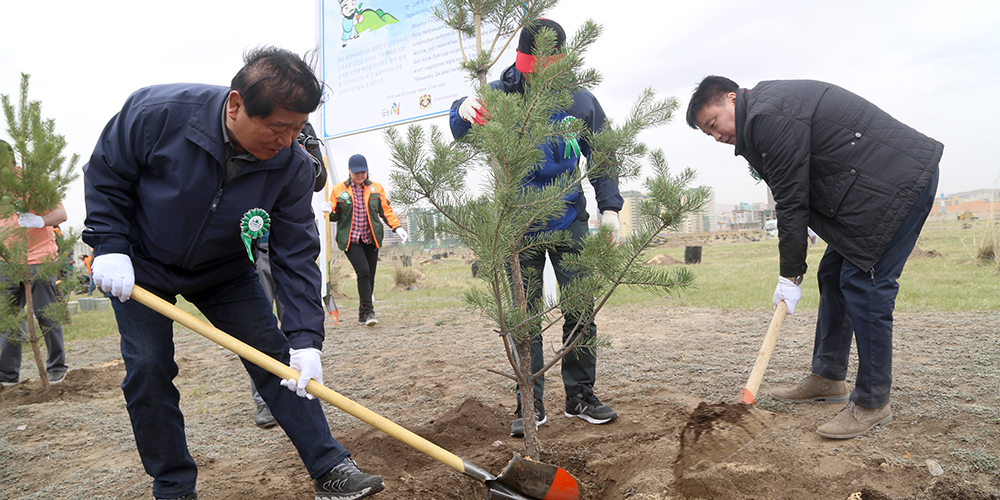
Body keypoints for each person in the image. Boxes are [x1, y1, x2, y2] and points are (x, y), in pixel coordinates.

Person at [82, 47, 384, 500]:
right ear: (236, 105)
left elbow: (296, 252)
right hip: (140, 265)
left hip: (224, 269)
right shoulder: (158, 113)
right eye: (279, 127)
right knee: (148, 367)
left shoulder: (292, 165)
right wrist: (108, 245)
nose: (287, 141)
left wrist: (305, 337)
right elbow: (107, 171)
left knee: (277, 360)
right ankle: (174, 486)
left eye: (298, 128)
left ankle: (330, 467)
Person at [686, 76, 942, 439]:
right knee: (833, 273)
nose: (716, 136)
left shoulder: (766, 116)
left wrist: (790, 275)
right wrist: (808, 226)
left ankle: (872, 403)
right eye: (707, 134)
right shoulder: (766, 112)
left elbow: (790, 197)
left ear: (731, 98)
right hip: (869, 188)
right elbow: (799, 176)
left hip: (895, 184)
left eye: (713, 124)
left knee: (865, 284)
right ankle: (828, 376)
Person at [449, 19, 623, 438]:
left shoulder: (580, 102)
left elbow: (602, 154)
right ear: (520, 61)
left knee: (581, 305)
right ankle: (531, 402)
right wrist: (461, 109)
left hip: (569, 217)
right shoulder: (502, 94)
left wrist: (611, 207)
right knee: (524, 317)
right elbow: (459, 131)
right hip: (518, 223)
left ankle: (580, 394)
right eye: (532, 68)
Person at [249, 121, 328, 429]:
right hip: (253, 250)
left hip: (291, 248)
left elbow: (318, 178)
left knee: (296, 326)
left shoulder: (302, 131)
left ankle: (300, 388)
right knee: (260, 329)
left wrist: (303, 149)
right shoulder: (251, 131)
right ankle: (263, 401)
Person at [1, 141, 69, 387]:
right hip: (5, 262)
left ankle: (56, 369)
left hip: (39, 260)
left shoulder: (34, 182)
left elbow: (61, 214)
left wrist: (40, 220)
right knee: (7, 321)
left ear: (11, 160)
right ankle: (6, 376)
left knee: (47, 315)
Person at [328, 154, 407, 326]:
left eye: (363, 172)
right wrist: (327, 211)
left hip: (371, 239)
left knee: (370, 276)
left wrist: (397, 227)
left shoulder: (376, 188)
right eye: (356, 172)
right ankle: (370, 313)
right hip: (351, 240)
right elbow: (334, 216)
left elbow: (386, 211)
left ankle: (362, 314)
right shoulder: (338, 190)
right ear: (349, 171)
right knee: (363, 272)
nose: (360, 176)